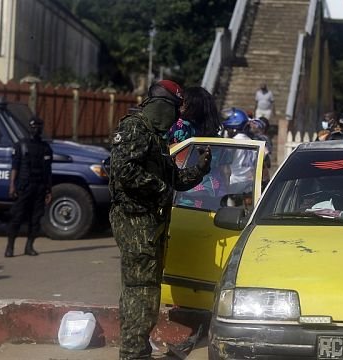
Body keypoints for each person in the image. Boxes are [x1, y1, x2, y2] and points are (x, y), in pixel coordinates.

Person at [108, 79, 212, 360]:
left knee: (145, 290)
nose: (178, 117)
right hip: (135, 221)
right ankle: (132, 353)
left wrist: (199, 170)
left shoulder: (155, 135)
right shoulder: (135, 128)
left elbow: (173, 180)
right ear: (161, 104)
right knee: (141, 290)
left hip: (150, 224)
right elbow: (124, 171)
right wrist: (161, 189)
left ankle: (137, 348)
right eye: (175, 109)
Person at [5, 117, 53, 257]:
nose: (36, 129)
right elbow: (15, 166)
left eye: (39, 126)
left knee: (36, 219)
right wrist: (12, 185)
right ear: (29, 128)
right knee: (17, 217)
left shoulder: (45, 148)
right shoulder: (21, 145)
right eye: (33, 126)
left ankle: (29, 247)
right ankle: (10, 247)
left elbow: (48, 170)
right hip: (24, 187)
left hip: (40, 187)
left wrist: (49, 189)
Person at [222, 108, 256, 193]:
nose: (227, 131)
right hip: (250, 184)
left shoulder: (232, 143)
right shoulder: (252, 142)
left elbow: (225, 167)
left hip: (235, 184)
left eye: (228, 129)